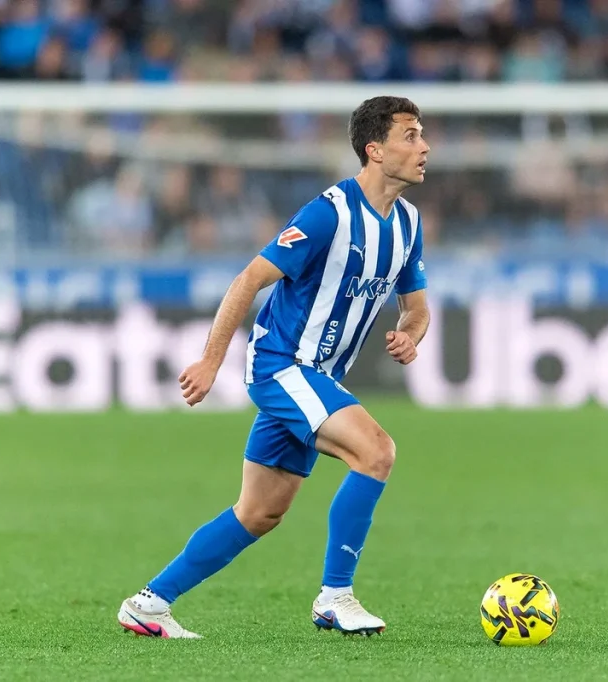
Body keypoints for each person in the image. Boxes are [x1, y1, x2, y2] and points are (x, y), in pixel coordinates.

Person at [116, 96, 431, 638]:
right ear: (374, 150)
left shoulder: (407, 222)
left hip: (320, 377)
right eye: (410, 135)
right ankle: (336, 597)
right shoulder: (327, 213)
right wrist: (211, 361)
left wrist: (410, 335)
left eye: (422, 134)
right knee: (376, 451)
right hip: (284, 365)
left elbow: (417, 306)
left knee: (259, 512)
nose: (424, 146)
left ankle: (148, 604)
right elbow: (249, 280)